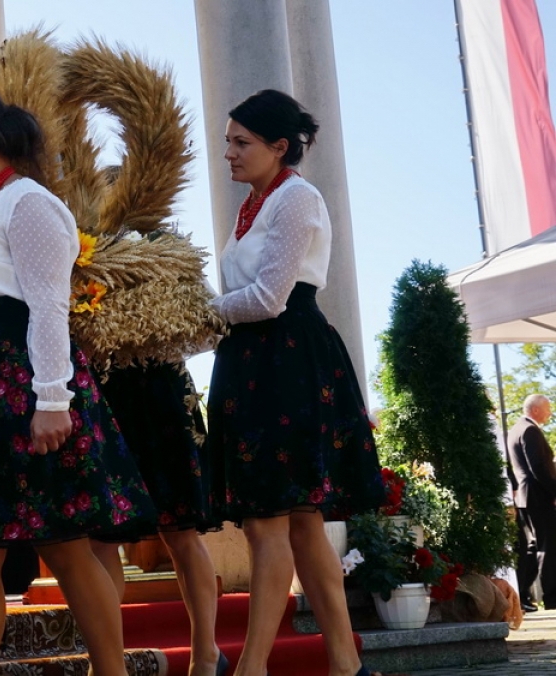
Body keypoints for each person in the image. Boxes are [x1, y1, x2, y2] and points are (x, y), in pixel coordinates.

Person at [0, 84, 156, 676]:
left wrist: (51, 399)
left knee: (64, 545)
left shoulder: (27, 202)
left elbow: (46, 306)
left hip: (21, 386)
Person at [206, 89, 382, 676]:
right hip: (254, 362)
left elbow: (267, 298)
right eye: (227, 141)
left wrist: (198, 314)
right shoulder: (254, 203)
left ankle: (252, 667)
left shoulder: (297, 197)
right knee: (302, 525)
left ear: (279, 146)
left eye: (241, 142)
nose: (228, 153)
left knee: (268, 522)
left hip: (288, 360)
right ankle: (346, 665)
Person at [93, 361, 225, 676]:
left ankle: (206, 655)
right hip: (102, 387)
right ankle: (105, 663)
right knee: (101, 539)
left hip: (161, 384)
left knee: (180, 533)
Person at [506, 394, 556, 612]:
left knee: (534, 546)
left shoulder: (516, 429)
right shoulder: (530, 430)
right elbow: (539, 468)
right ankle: (552, 597)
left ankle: (522, 593)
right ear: (535, 410)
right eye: (548, 408)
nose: (550, 413)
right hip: (538, 496)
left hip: (527, 496)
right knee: (548, 546)